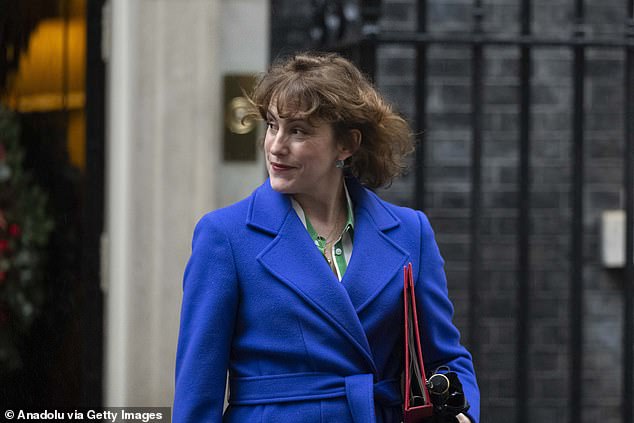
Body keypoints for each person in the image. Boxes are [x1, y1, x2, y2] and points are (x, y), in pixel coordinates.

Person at [173, 51, 479, 423]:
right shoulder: (225, 236)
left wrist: (464, 414)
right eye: (272, 125)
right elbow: (197, 392)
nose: (275, 145)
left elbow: (445, 357)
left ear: (346, 144)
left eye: (298, 131)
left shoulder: (409, 232)